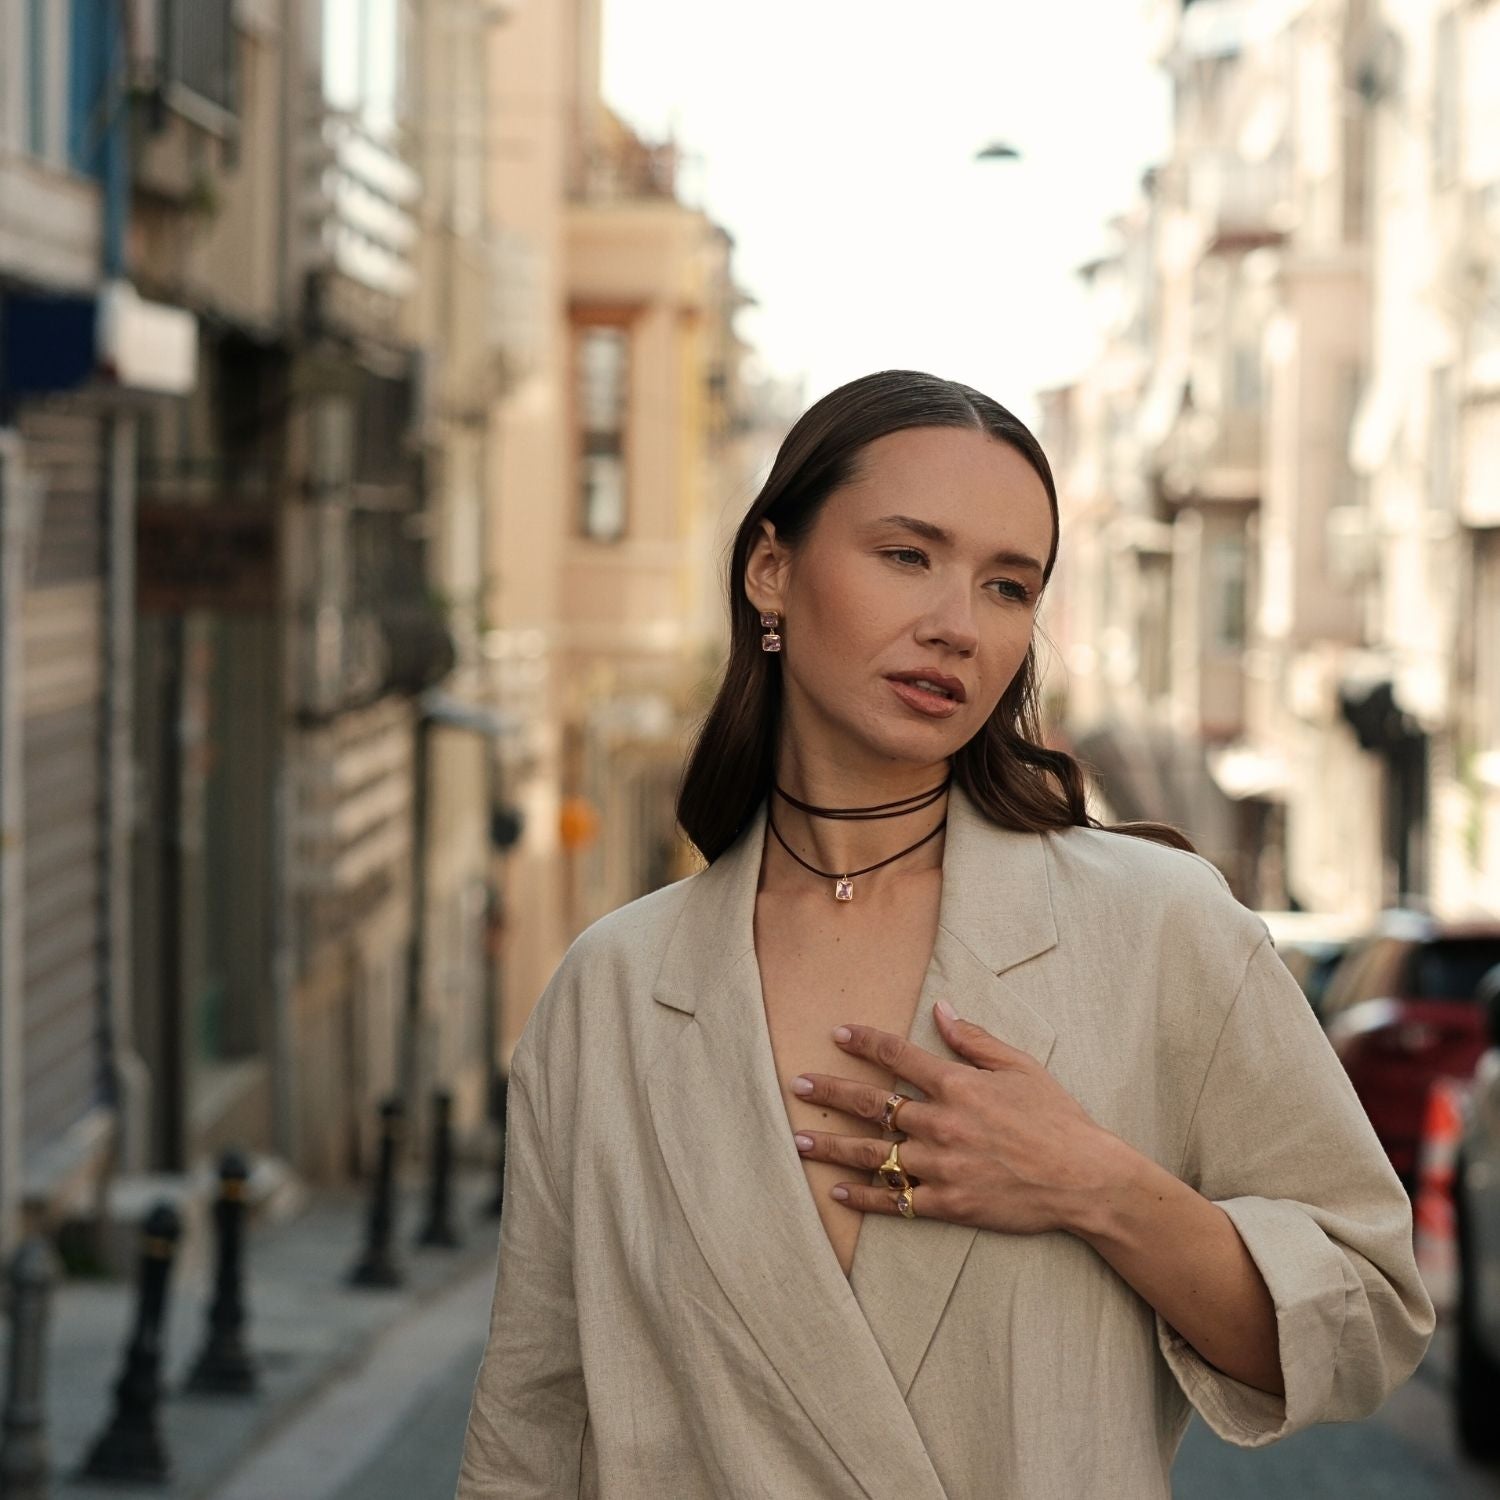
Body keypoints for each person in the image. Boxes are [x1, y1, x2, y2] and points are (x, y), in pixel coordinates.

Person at [455, 371, 1434, 1499]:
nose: (956, 626)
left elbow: (1367, 1319)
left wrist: (1094, 1185)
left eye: (1008, 585)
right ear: (770, 569)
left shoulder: (1158, 927)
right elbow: (529, 1436)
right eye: (907, 555)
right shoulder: (613, 992)